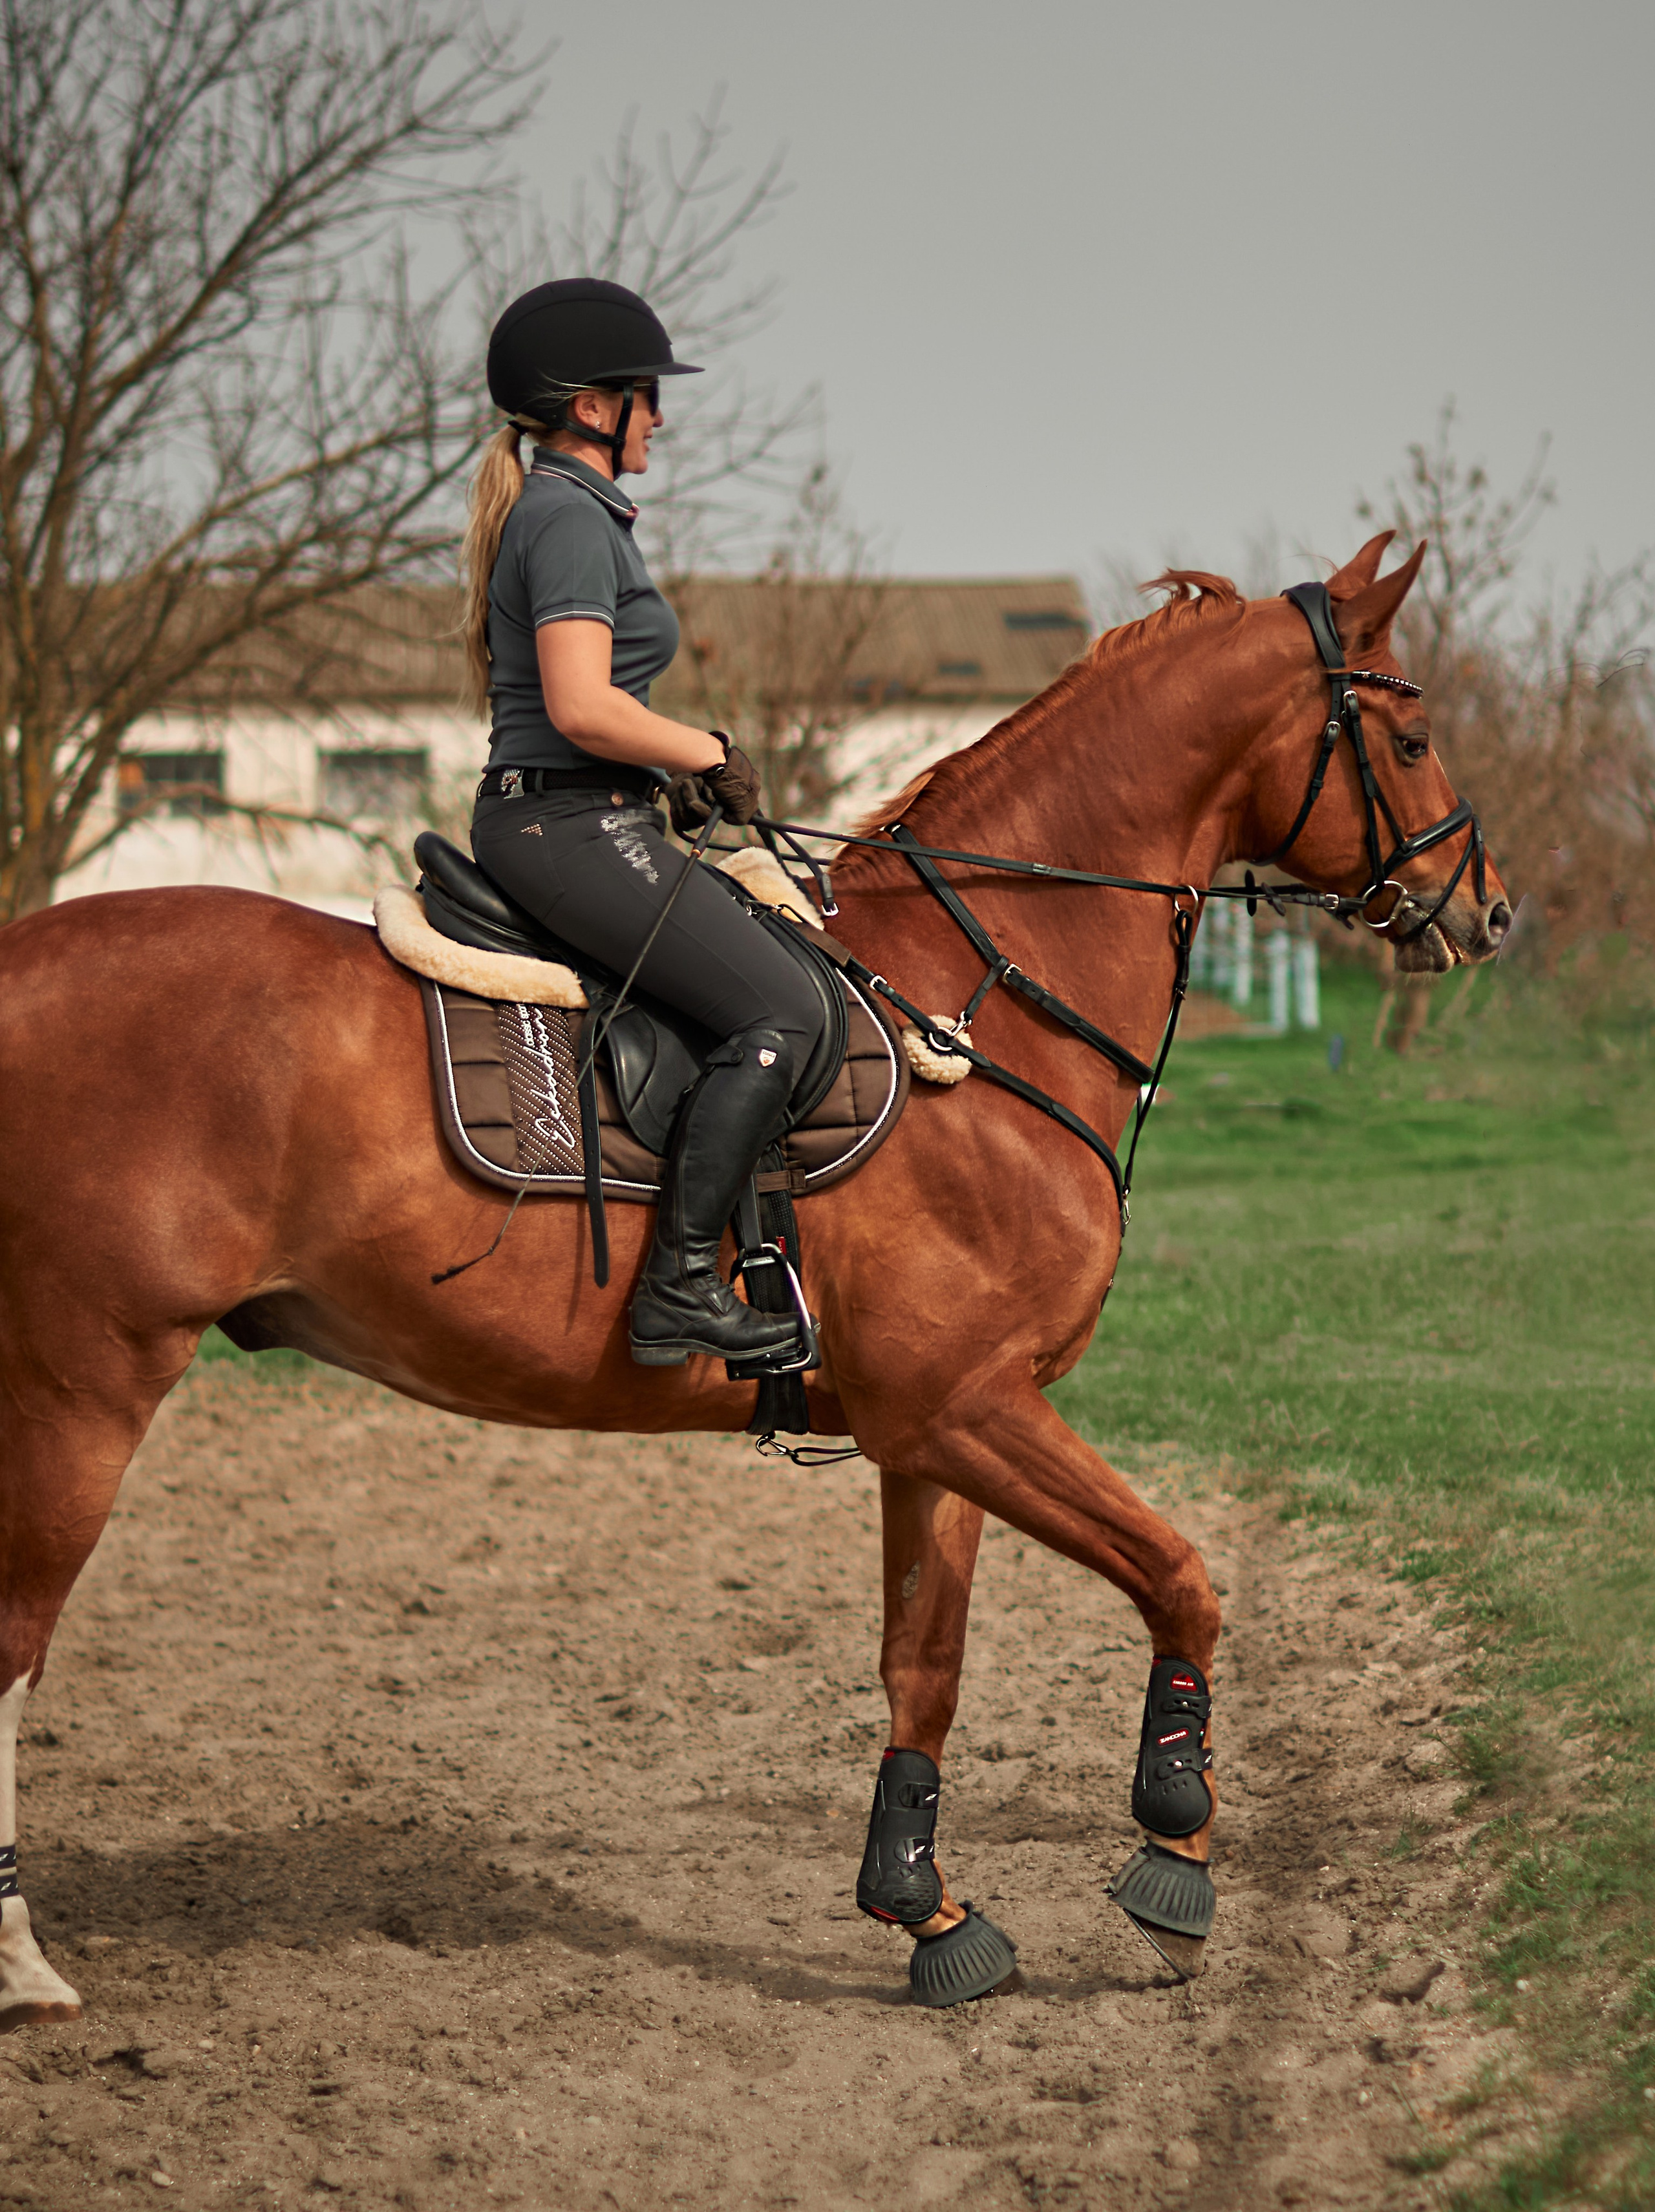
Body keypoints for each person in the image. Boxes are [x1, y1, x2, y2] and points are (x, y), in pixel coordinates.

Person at [462, 277, 823, 1368]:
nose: (661, 416)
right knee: (781, 1010)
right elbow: (580, 707)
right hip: (565, 827)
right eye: (647, 395)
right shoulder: (569, 518)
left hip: (584, 814)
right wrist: (704, 750)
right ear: (592, 407)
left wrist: (665, 770)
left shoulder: (567, 509)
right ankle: (678, 1284)